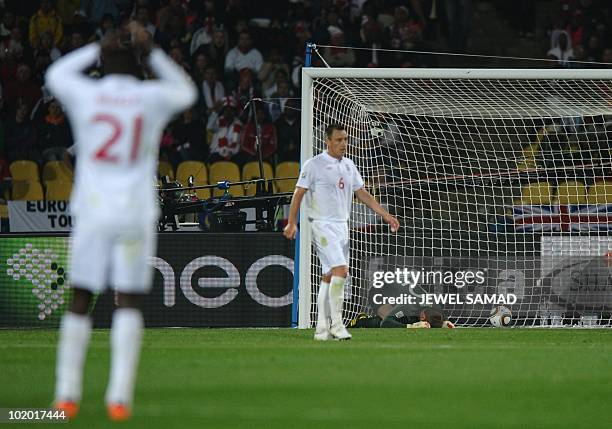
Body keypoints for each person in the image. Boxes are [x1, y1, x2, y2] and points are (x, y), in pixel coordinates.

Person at [46, 22, 196, 421]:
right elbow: (187, 91)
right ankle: (119, 398)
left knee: (81, 297)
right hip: (135, 211)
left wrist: (97, 45)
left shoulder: (88, 94)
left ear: (103, 62)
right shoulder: (150, 97)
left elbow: (55, 75)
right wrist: (153, 53)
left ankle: (66, 394)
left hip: (93, 210)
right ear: (141, 65)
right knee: (128, 301)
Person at [283, 124, 400, 341]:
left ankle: (321, 327)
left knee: (329, 276)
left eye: (345, 139)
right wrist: (291, 222)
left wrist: (385, 214)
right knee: (341, 271)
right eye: (338, 140)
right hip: (322, 225)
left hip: (341, 226)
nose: (343, 143)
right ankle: (337, 324)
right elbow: (298, 194)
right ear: (328, 141)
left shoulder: (348, 165)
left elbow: (363, 193)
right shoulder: (314, 165)